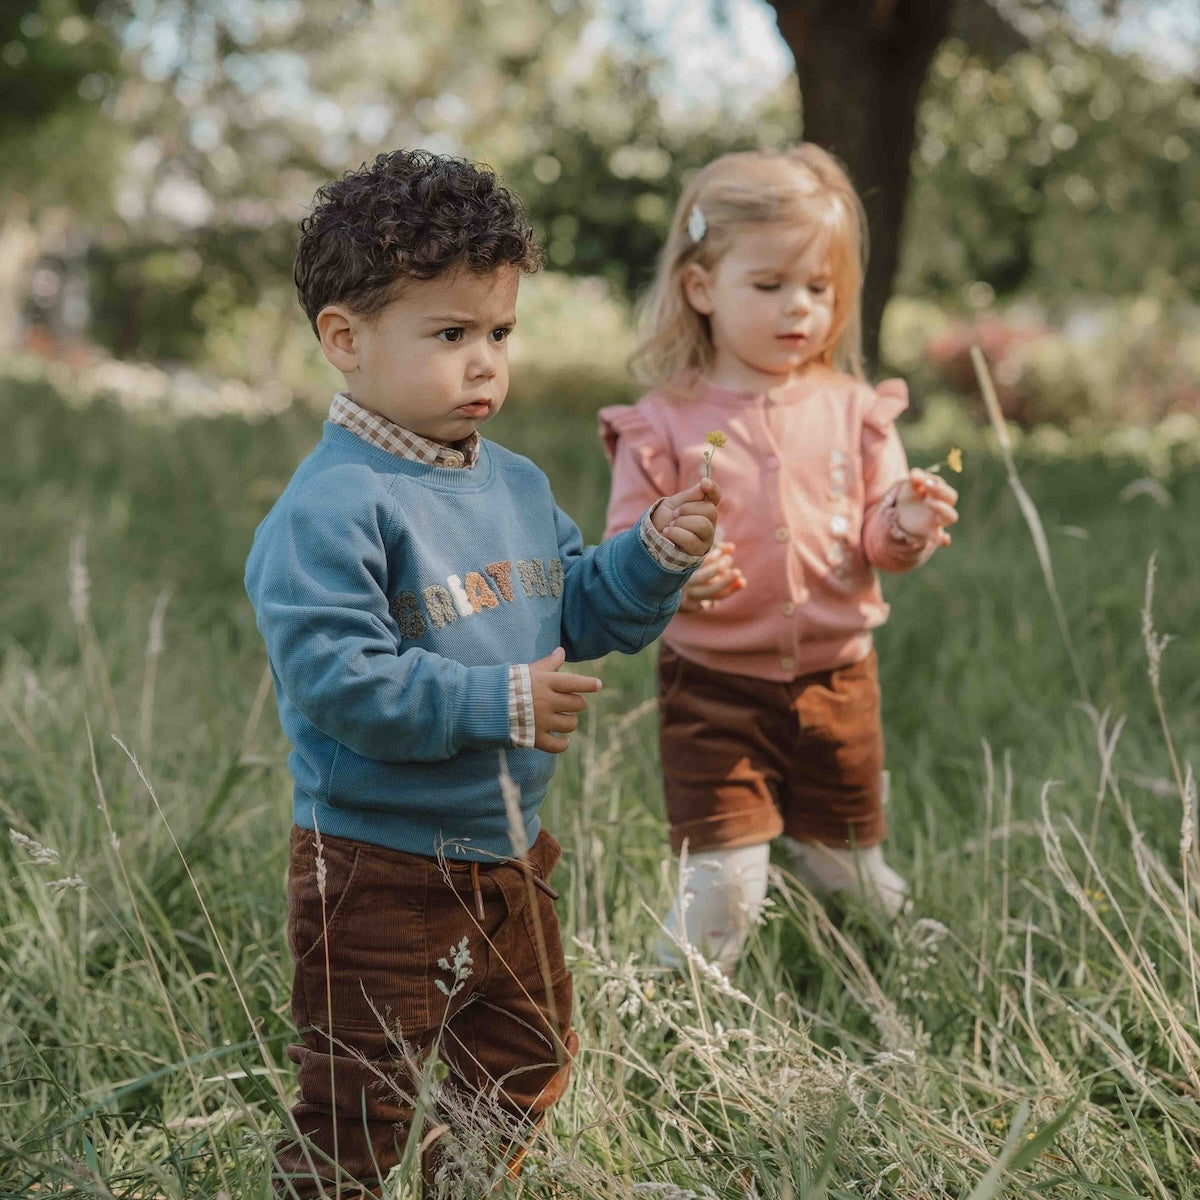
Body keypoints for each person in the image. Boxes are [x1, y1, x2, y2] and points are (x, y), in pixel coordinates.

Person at [245, 148, 719, 1198]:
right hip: (373, 867)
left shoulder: (514, 482)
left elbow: (580, 609)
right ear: (345, 339)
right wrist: (499, 700)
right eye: (450, 334)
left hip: (507, 856)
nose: (485, 364)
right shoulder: (334, 508)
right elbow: (338, 682)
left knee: (528, 1061)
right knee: (357, 1107)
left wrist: (654, 554)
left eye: (500, 332)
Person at [600, 144, 958, 973]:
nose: (799, 308)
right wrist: (675, 573)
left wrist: (904, 520)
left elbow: (881, 539)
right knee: (727, 886)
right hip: (714, 689)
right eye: (769, 286)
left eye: (819, 289)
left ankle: (922, 960)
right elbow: (625, 548)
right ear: (701, 288)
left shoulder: (857, 411)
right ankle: (665, 1007)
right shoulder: (662, 426)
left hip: (838, 681)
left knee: (846, 865)